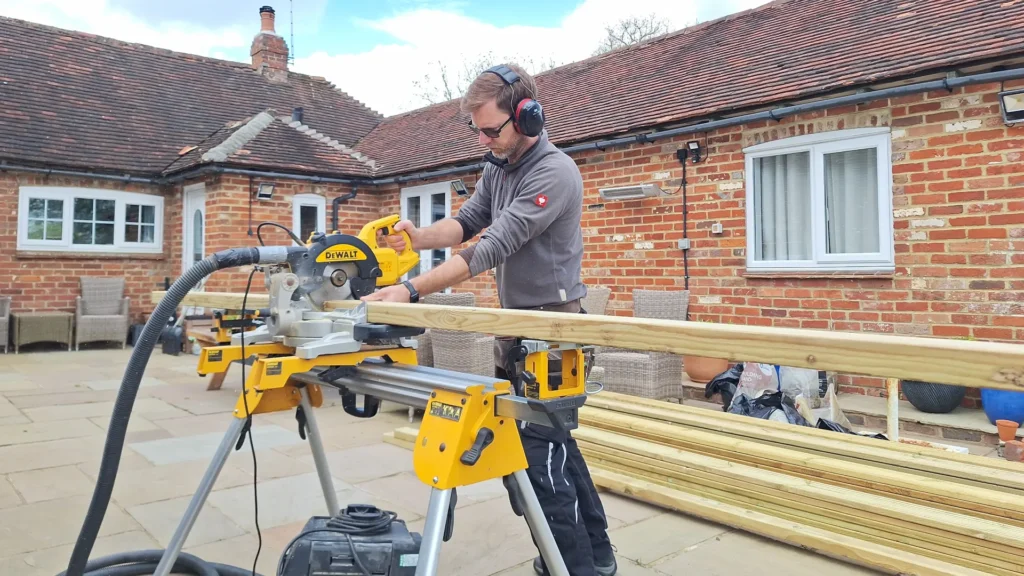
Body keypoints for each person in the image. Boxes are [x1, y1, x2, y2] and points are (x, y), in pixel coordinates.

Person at [362, 62, 617, 576]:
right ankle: (601, 559)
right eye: (474, 128)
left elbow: (491, 247)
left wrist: (410, 291)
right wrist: (415, 238)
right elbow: (469, 222)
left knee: (540, 460)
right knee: (556, 444)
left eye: (489, 128)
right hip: (518, 329)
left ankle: (573, 568)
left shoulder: (554, 173)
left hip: (554, 332)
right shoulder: (499, 164)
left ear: (526, 117)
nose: (482, 139)